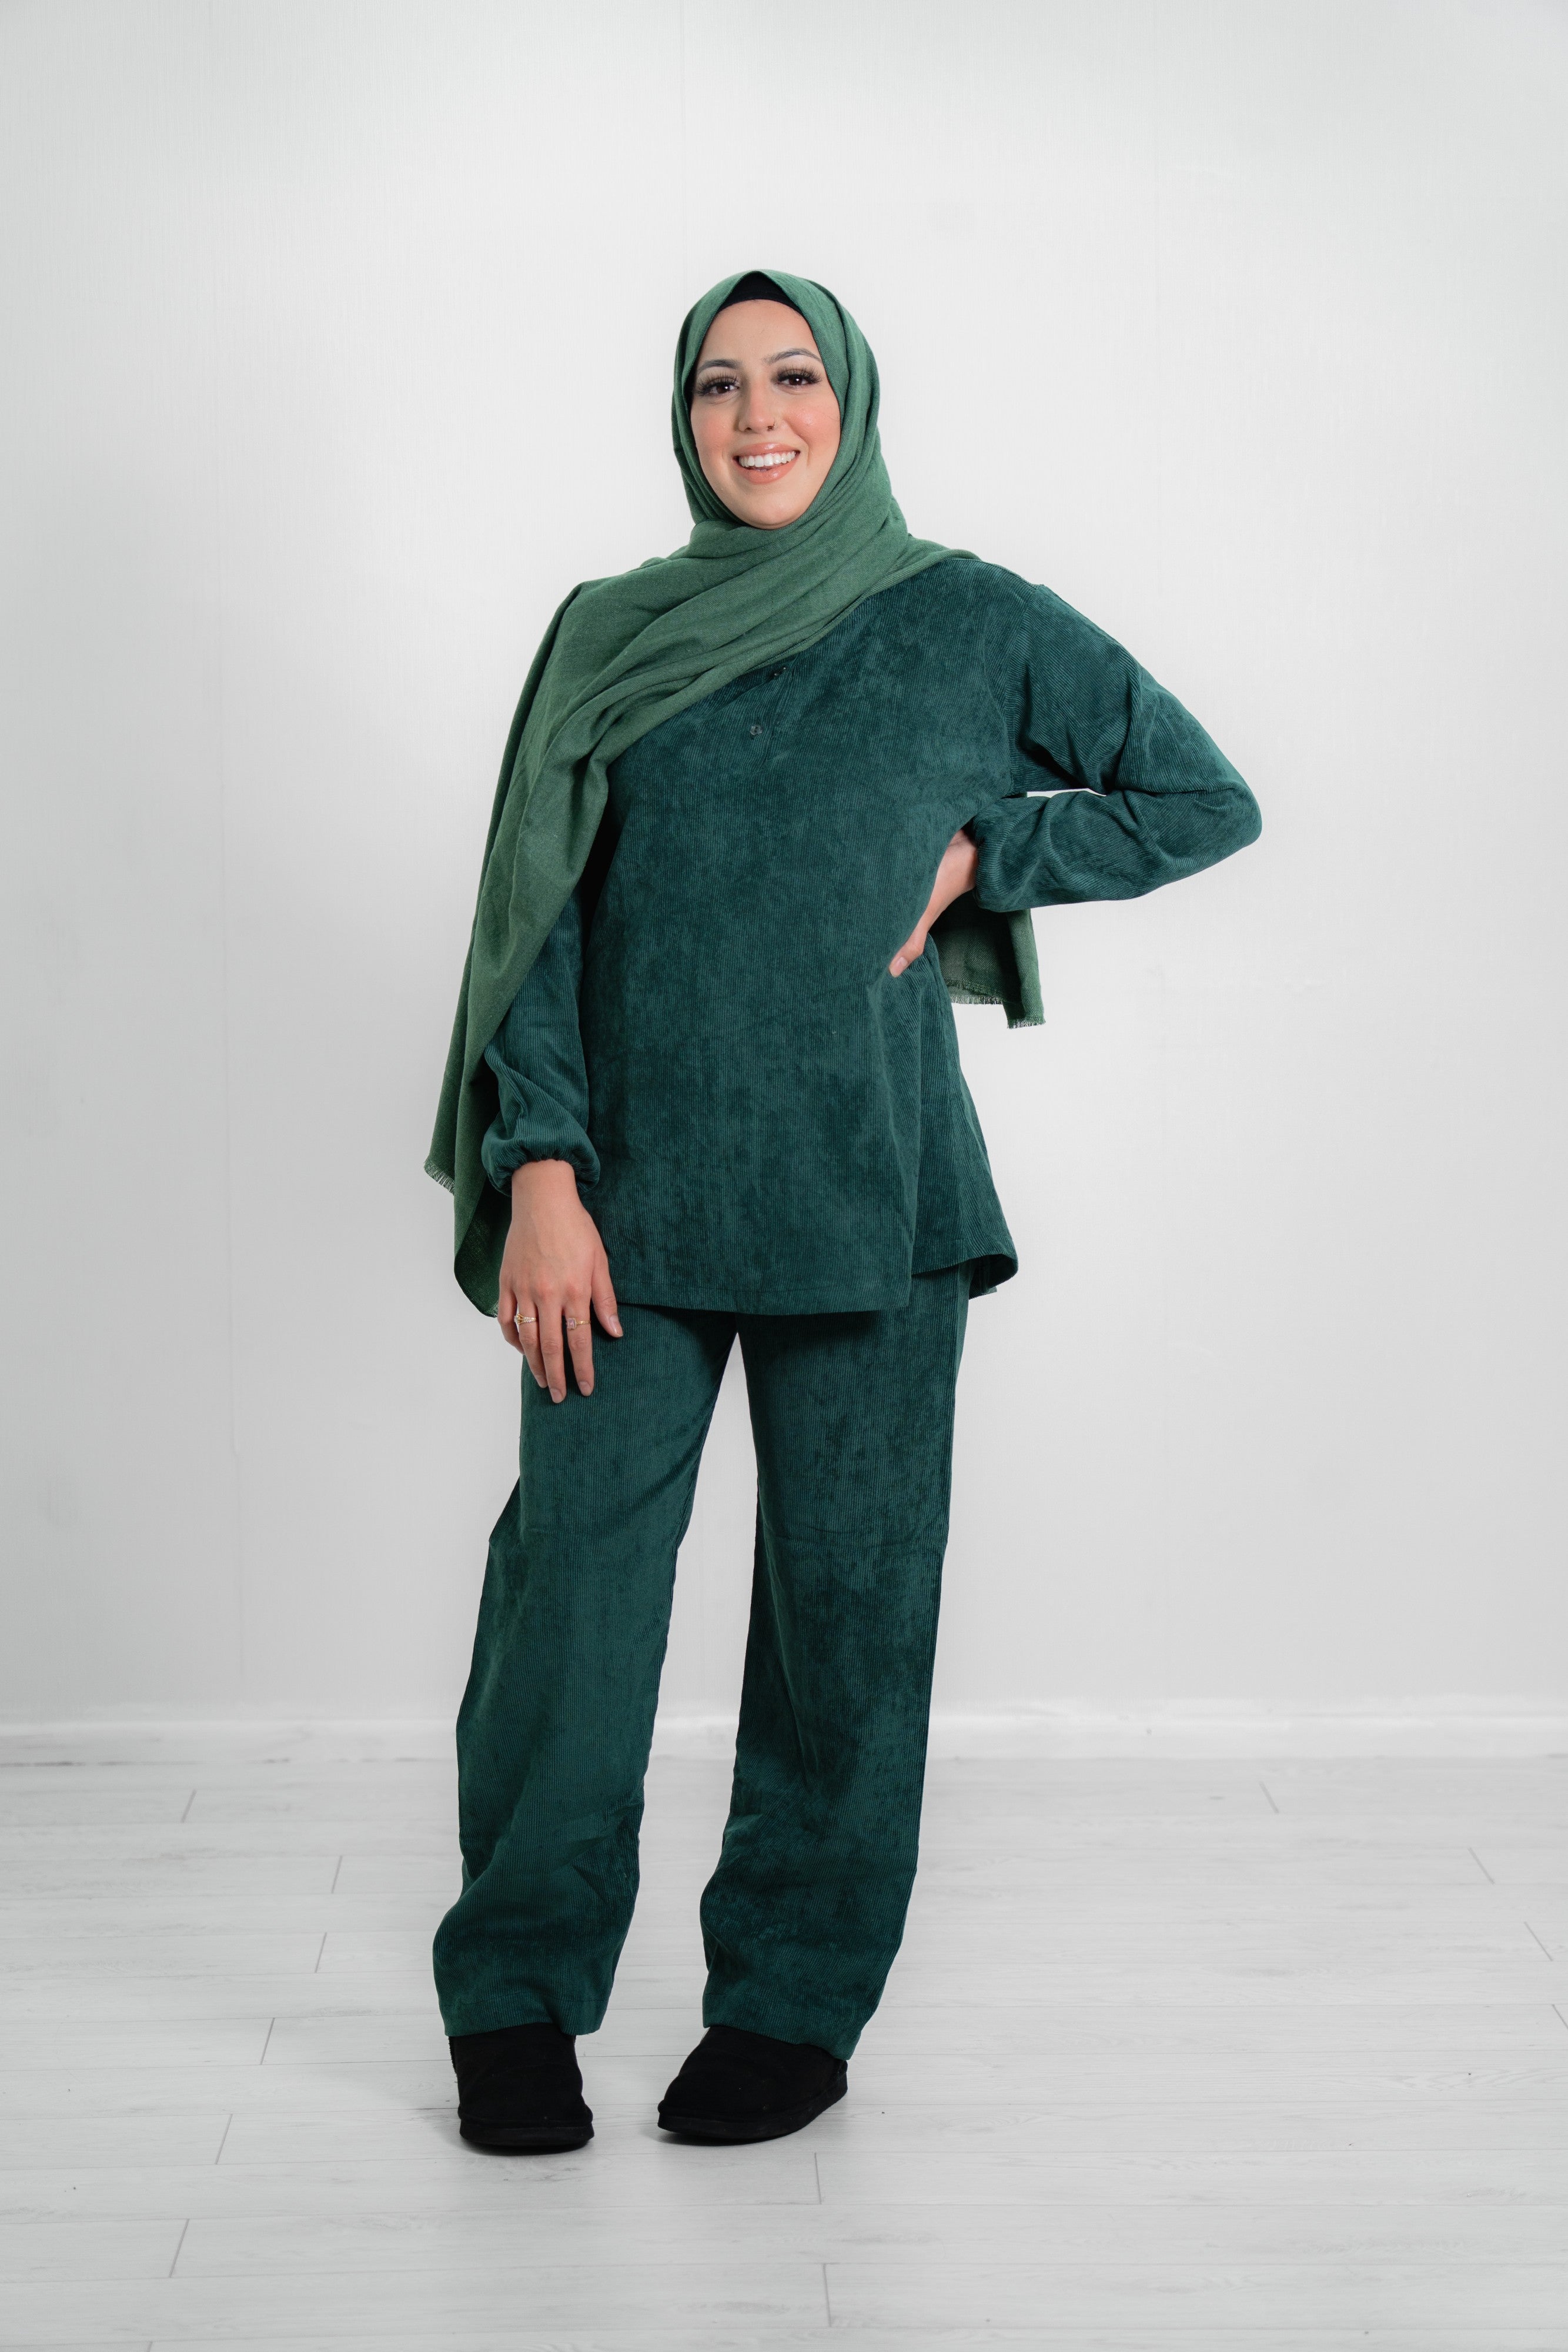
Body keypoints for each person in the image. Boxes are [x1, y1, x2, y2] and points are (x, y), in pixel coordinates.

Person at [426, 268, 1260, 2153]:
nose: (757, 416)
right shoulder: (611, 630)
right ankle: (516, 2001)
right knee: (571, 1618)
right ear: (682, 417)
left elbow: (1199, 795)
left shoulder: (966, 617)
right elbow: (527, 914)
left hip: (876, 1196)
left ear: (851, 399)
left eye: (792, 376)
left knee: (849, 1627)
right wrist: (537, 1167)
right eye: (718, 385)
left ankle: (790, 2008)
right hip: (617, 1207)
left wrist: (993, 846)